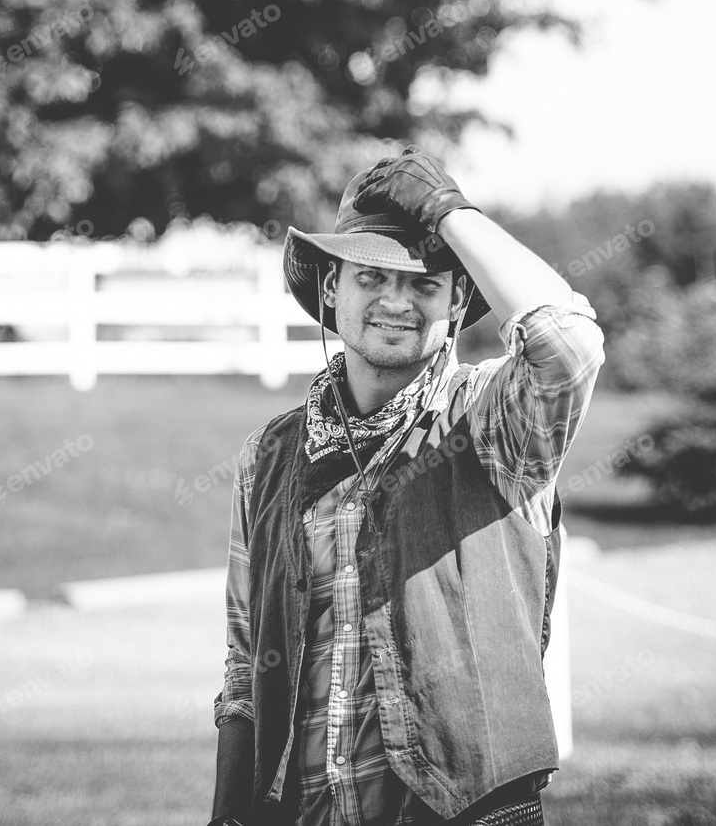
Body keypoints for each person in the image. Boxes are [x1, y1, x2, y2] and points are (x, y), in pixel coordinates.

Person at [208, 145, 605, 826]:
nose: (397, 300)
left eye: (425, 282)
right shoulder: (269, 454)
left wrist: (449, 211)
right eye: (372, 276)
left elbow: (569, 345)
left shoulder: (491, 420)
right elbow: (246, 669)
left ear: (455, 302)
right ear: (333, 288)